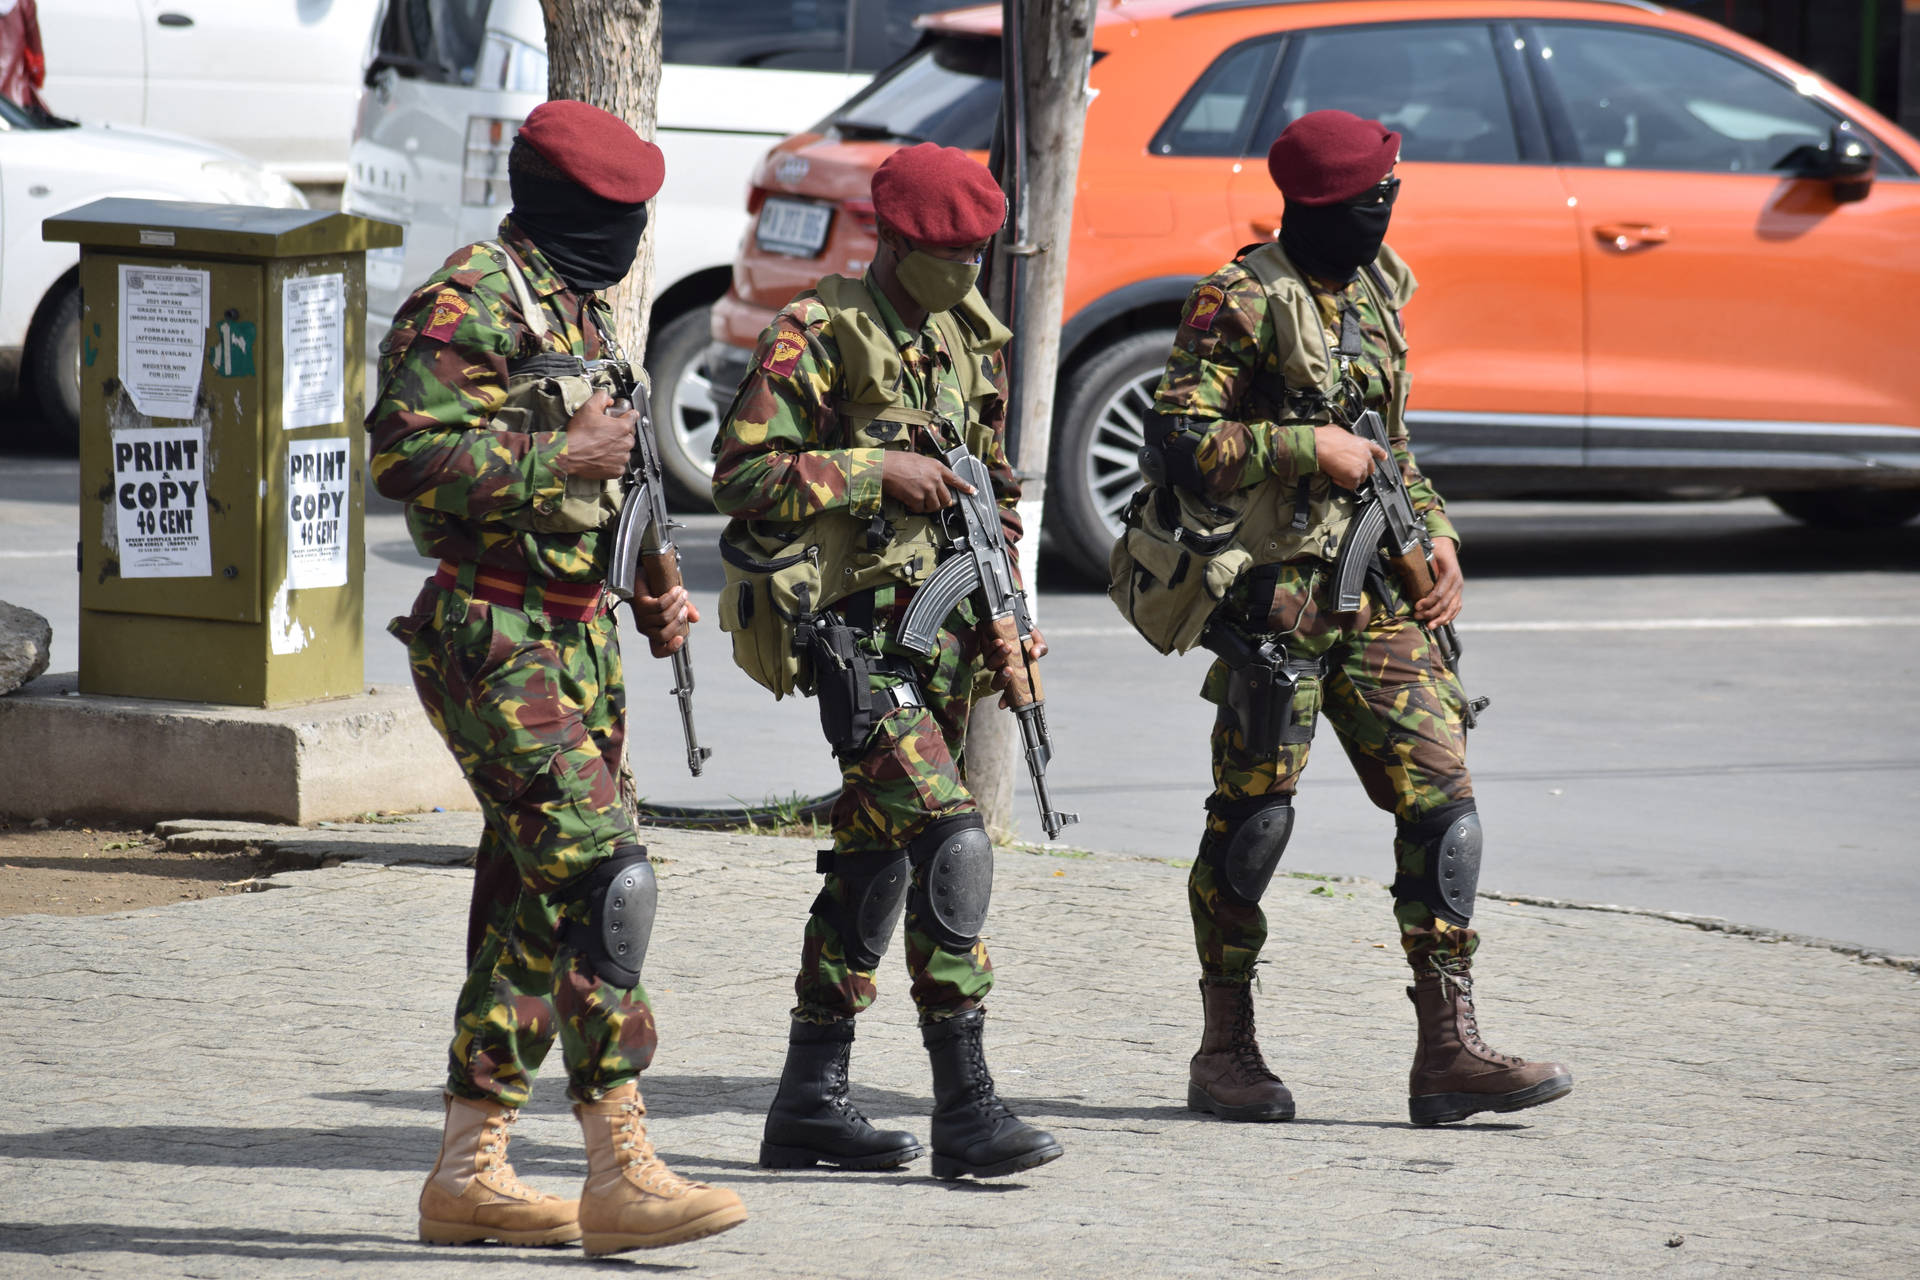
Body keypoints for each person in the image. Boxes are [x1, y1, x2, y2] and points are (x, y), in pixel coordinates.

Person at [369, 99, 745, 1254]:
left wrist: (650, 583)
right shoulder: (467, 298)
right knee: (604, 879)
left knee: (531, 898)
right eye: (616, 214)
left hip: (577, 635)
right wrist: (556, 453)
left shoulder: (573, 308)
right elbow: (401, 450)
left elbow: (619, 478)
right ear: (564, 206)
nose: (632, 236)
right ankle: (617, 1161)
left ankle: (465, 1169)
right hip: (490, 630)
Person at [1147, 110, 1573, 1126]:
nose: (1388, 214)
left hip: (1377, 595)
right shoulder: (1240, 298)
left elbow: (1395, 442)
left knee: (1445, 804)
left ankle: (1448, 1048)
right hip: (1275, 601)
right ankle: (1226, 1047)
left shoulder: (1378, 291)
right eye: (1376, 200)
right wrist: (1303, 447)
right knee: (1254, 820)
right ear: (1327, 204)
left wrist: (1436, 533)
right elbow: (1179, 437)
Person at [711, 142, 1063, 1181]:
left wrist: (1012, 614)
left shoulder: (968, 343)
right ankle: (968, 1106)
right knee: (953, 840)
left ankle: (807, 1100)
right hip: (858, 641)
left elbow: (991, 491)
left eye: (976, 252)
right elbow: (740, 473)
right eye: (948, 252)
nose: (965, 269)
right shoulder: (820, 332)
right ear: (899, 240)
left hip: (949, 640)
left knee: (875, 860)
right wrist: (874, 468)